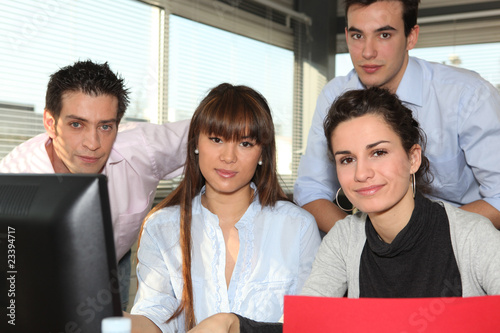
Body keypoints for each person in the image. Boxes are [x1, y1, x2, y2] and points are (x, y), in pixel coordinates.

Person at [185, 87, 500, 333]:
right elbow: (307, 327)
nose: (362, 173)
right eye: (347, 159)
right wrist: (233, 324)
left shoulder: (470, 235)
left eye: (378, 152)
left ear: (413, 158)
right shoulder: (345, 240)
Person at [125, 83, 321, 332]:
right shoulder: (161, 226)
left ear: (262, 153)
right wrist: (108, 318)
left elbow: (308, 323)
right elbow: (155, 317)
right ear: (196, 143)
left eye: (245, 144)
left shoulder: (297, 226)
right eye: (217, 139)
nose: (229, 157)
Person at [294, 0, 500, 233]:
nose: (367, 52)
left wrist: (415, 238)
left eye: (383, 35)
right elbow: (311, 190)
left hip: (455, 240)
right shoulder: (334, 95)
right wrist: (360, 243)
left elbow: (498, 198)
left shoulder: (468, 95)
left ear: (411, 37)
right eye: (357, 36)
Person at [0, 60, 190, 310]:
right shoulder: (14, 181)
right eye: (76, 124)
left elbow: (215, 131)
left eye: (105, 126)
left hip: (110, 263)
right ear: (50, 123)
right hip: (35, 276)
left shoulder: (142, 149)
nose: (93, 143)